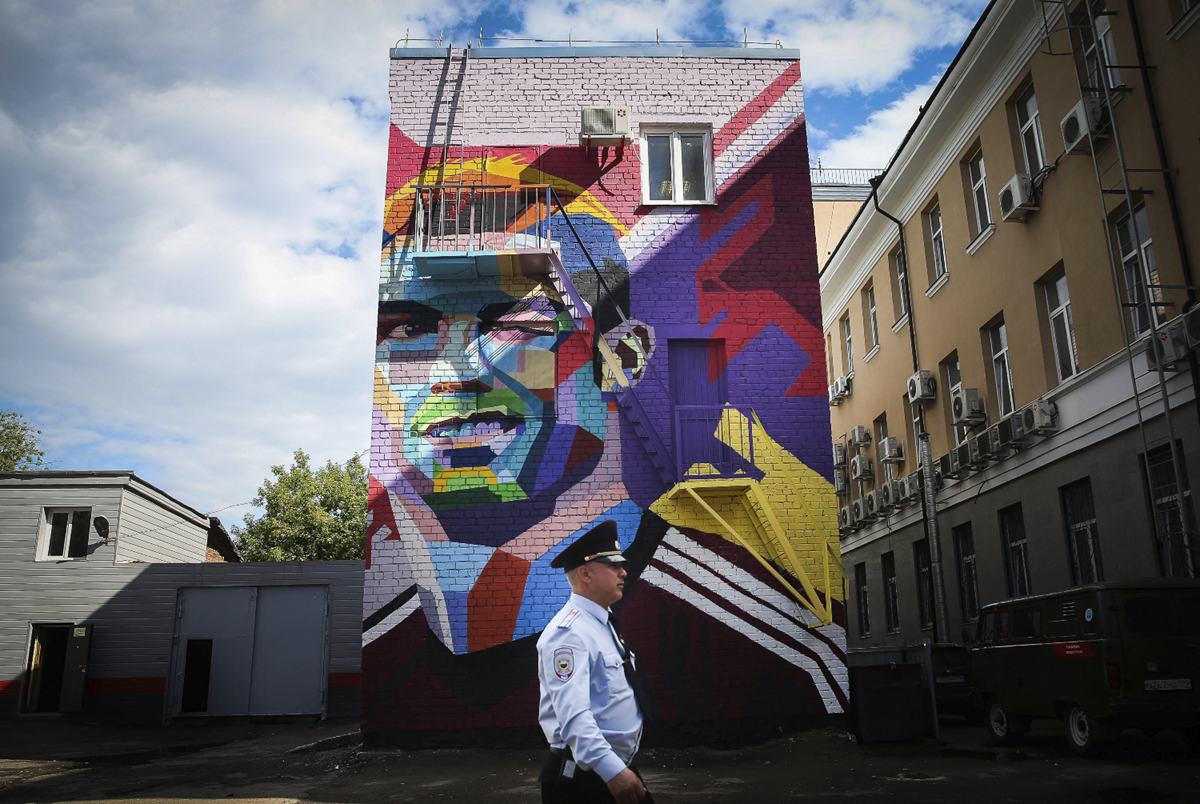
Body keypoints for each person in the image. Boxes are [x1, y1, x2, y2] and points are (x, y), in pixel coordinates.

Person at [537, 521, 653, 804]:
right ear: (585, 573)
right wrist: (612, 771)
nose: (623, 572)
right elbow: (573, 715)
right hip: (585, 777)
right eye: (613, 566)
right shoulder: (569, 634)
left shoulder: (601, 621)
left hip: (608, 766)